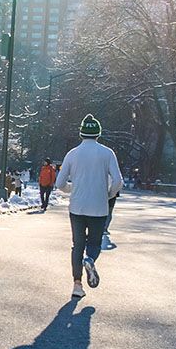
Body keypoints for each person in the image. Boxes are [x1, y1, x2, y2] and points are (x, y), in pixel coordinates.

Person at [54, 114, 123, 298]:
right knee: (94, 242)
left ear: (81, 133)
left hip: (77, 207)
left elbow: (59, 183)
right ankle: (90, 259)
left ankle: (77, 285)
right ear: (98, 133)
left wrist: (72, 188)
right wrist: (109, 194)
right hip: (99, 207)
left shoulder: (72, 154)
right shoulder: (107, 153)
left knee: (77, 244)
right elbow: (118, 180)